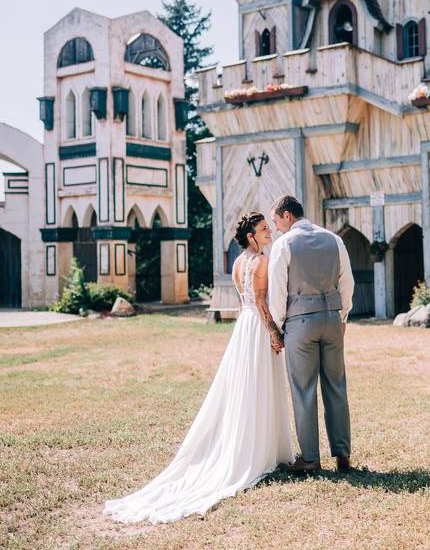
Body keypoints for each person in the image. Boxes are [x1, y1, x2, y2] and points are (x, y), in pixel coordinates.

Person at [103, 212, 293, 524]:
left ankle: (256, 442)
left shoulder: (238, 263)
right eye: (263, 230)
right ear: (251, 236)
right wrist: (274, 332)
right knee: (258, 385)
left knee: (246, 387)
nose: (269, 233)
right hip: (258, 327)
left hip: (244, 328)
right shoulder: (259, 262)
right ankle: (257, 450)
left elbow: (244, 299)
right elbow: (260, 302)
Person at [268, 195, 355, 473]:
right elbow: (347, 283)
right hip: (331, 318)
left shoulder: (284, 245)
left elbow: (278, 292)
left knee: (304, 389)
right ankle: (342, 455)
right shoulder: (334, 240)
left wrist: (278, 327)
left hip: (300, 322)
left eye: (277, 221)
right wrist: (342, 316)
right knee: (336, 386)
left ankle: (310, 458)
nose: (276, 228)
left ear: (288, 216)